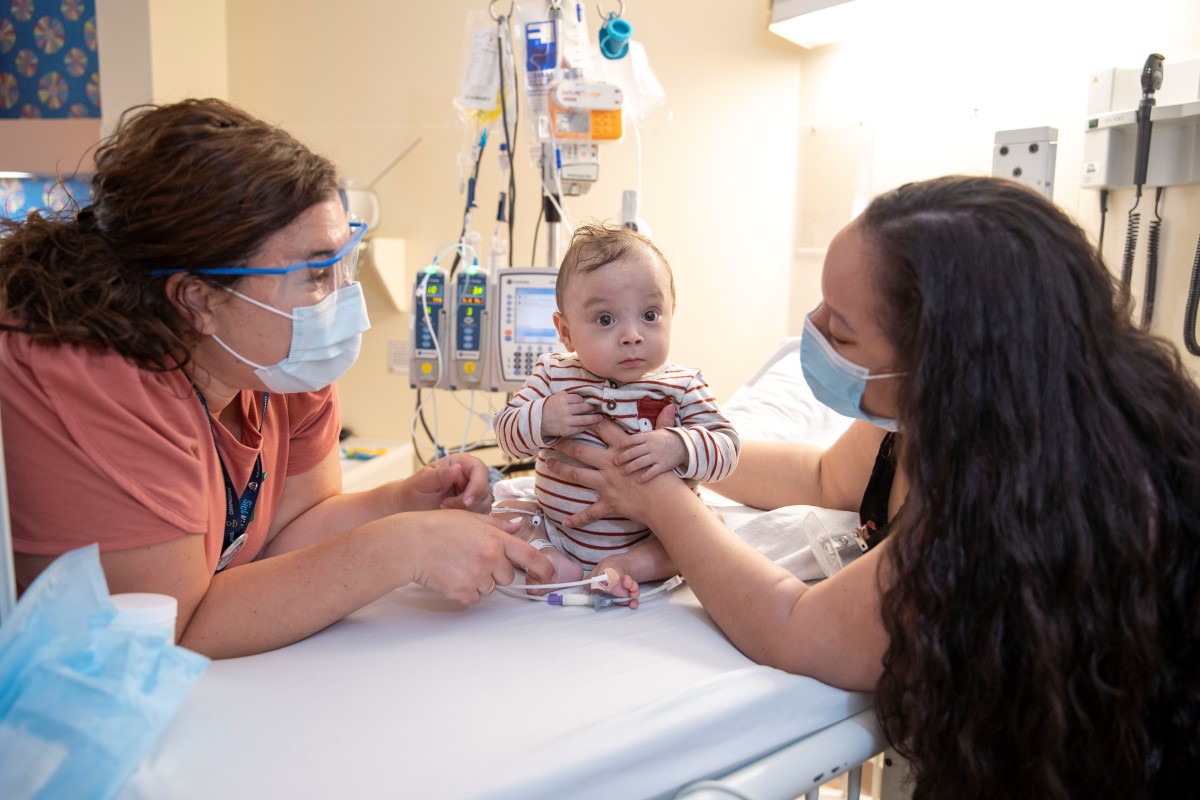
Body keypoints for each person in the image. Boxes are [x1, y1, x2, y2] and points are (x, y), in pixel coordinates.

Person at [543, 176, 1199, 798]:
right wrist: (677, 452)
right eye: (823, 302)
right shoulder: (936, 415)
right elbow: (822, 475)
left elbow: (793, 630)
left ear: (945, 360)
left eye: (843, 327)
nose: (817, 327)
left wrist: (661, 500)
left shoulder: (1016, 505)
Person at [0, 98, 553, 659]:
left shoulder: (276, 363)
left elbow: (286, 536)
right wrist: (401, 547)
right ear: (198, 300)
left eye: (344, 261)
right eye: (315, 273)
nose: (342, 297)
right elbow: (175, 629)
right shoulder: (92, 376)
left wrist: (401, 502)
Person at [493, 223, 739, 604]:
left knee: (708, 531)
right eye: (606, 319)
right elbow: (506, 432)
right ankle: (550, 556)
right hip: (560, 526)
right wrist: (543, 417)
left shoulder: (683, 385)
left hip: (652, 536)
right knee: (504, 513)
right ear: (567, 332)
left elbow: (726, 449)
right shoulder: (553, 374)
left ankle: (626, 565)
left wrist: (678, 445)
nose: (632, 335)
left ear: (672, 313)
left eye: (650, 314)